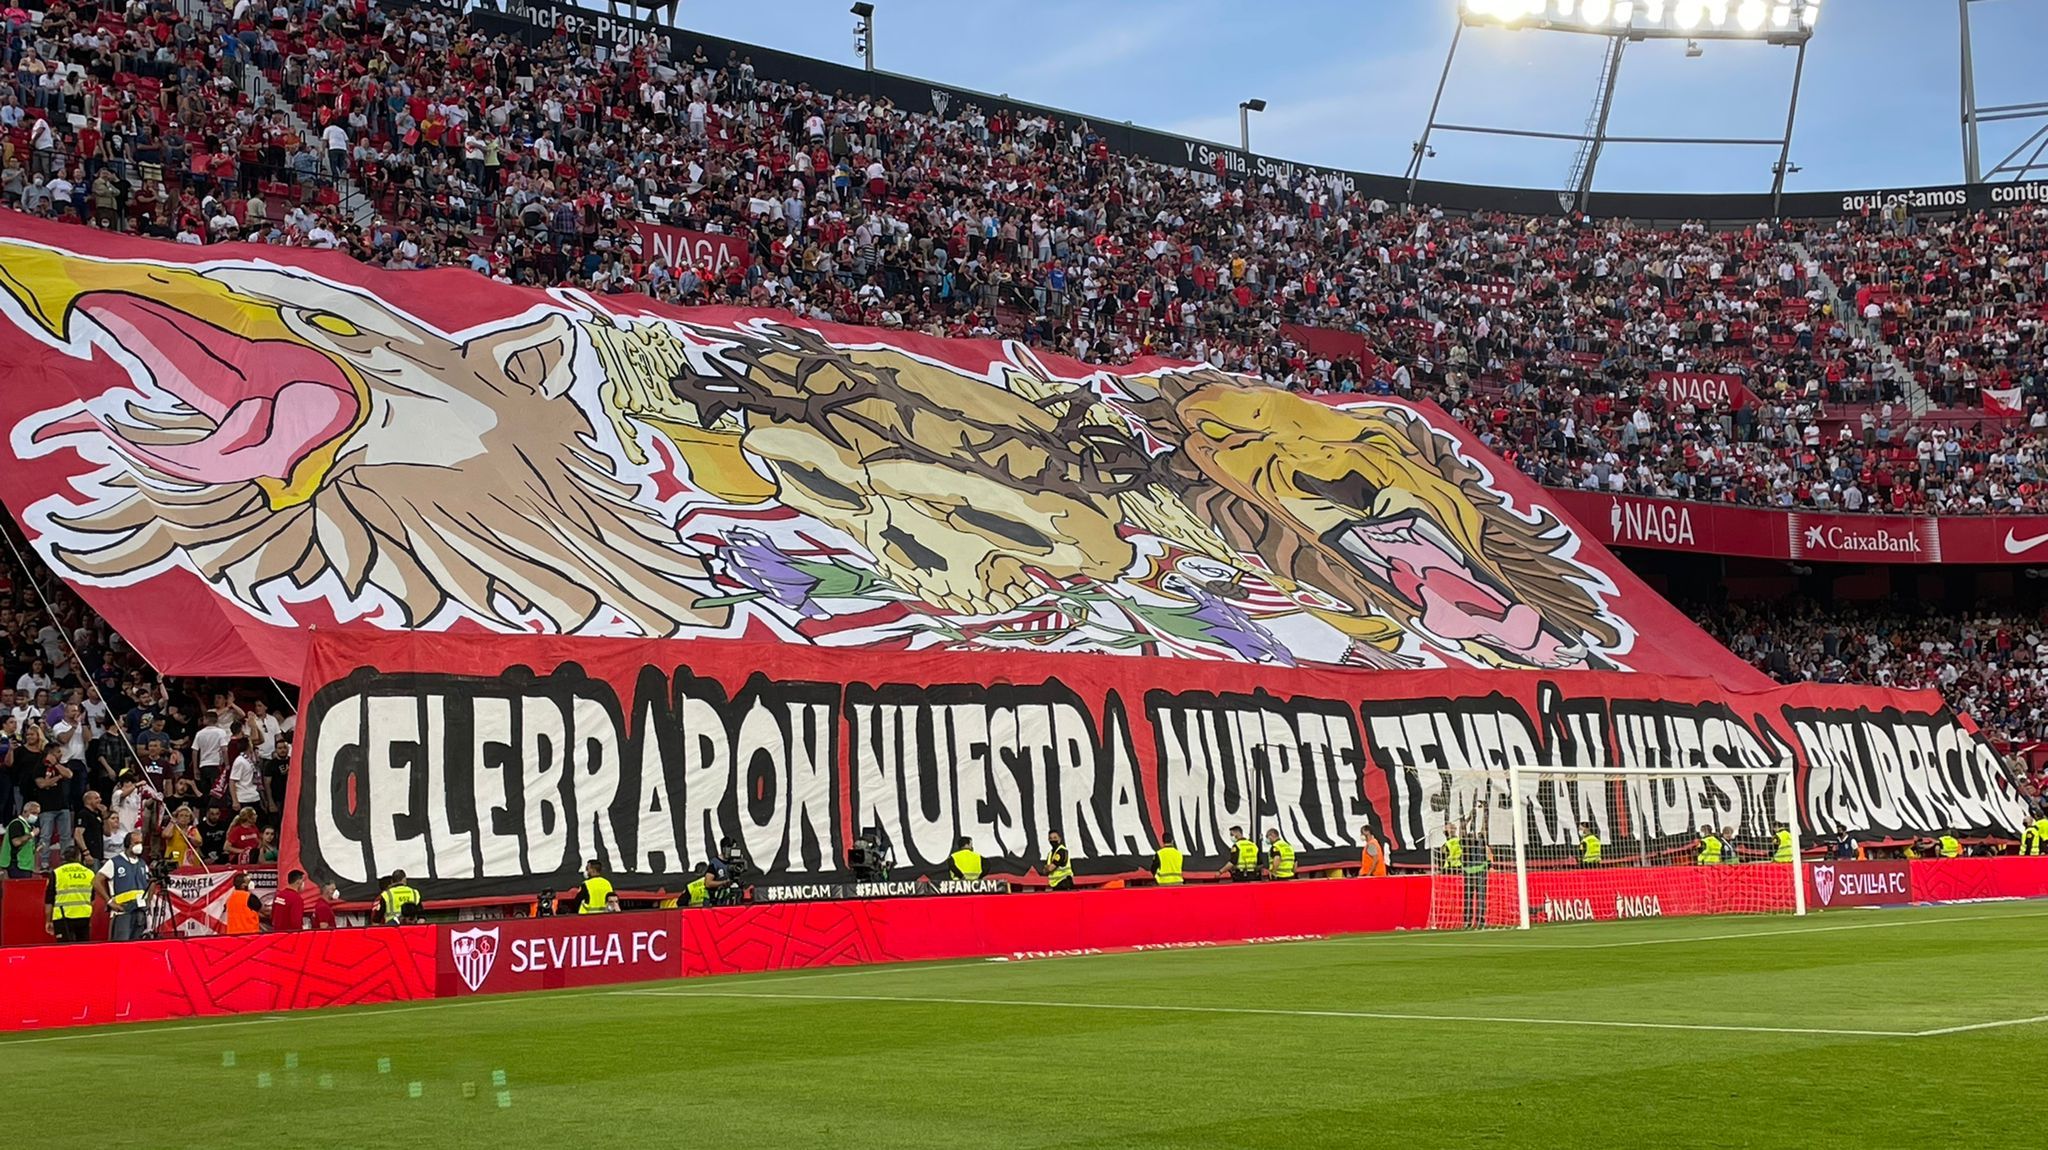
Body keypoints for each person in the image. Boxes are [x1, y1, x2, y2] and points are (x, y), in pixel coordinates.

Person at [96, 831, 151, 941]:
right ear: (127, 844)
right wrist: (109, 902)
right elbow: (96, 881)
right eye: (136, 843)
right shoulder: (115, 862)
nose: (139, 846)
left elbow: (150, 883)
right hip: (122, 911)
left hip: (140, 911)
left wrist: (148, 901)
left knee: (137, 945)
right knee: (121, 944)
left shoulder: (142, 864)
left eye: (141, 843)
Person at [47, 846, 95, 942]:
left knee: (64, 948)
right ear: (79, 856)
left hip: (62, 917)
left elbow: (49, 900)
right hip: (83, 917)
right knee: (83, 948)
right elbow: (92, 900)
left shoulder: (56, 873)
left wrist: (48, 921)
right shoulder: (89, 873)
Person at [5, 800, 41, 877]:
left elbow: (26, 845)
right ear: (25, 811)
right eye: (34, 813)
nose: (36, 816)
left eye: (38, 814)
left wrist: (37, 848)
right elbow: (16, 842)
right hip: (17, 866)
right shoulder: (16, 824)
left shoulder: (28, 826)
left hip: (26, 865)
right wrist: (32, 834)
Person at [222, 871, 263, 936]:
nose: (251, 883)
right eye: (248, 882)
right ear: (243, 886)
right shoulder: (250, 897)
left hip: (233, 935)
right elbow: (262, 910)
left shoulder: (230, 897)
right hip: (249, 935)